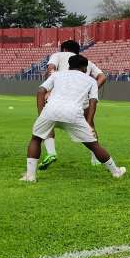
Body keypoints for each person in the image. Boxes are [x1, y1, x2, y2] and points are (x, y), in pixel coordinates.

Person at [22, 55, 125, 182]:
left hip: (50, 110)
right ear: (85, 67)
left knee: (36, 139)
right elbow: (93, 101)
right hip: (73, 113)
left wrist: (41, 113)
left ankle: (30, 176)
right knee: (93, 145)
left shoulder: (57, 75)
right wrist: (88, 123)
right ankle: (116, 172)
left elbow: (41, 90)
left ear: (69, 65)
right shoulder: (90, 81)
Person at [40, 39, 107, 169]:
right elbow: (102, 77)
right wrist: (91, 89)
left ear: (64, 49)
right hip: (82, 100)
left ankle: (51, 152)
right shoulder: (87, 62)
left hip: (59, 98)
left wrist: (49, 88)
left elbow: (50, 69)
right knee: (89, 126)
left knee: (47, 124)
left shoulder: (57, 55)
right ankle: (95, 158)